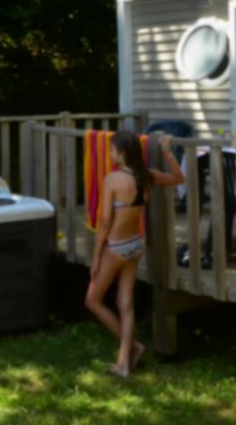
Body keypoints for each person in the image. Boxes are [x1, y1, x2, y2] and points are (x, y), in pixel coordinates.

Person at [85, 130, 185, 378]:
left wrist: (96, 256)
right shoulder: (147, 176)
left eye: (112, 149)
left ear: (122, 152)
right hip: (136, 244)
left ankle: (133, 348)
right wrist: (167, 152)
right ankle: (124, 363)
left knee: (93, 301)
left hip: (116, 248)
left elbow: (105, 222)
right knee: (125, 303)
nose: (110, 154)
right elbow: (178, 177)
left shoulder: (113, 179)